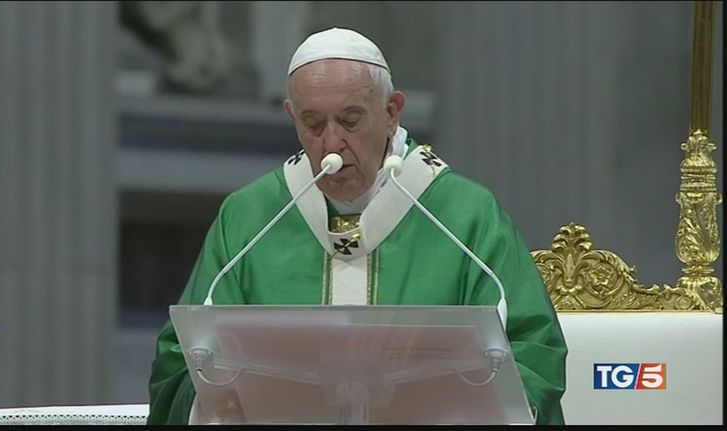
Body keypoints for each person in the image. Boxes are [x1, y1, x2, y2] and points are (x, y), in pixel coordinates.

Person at [147, 27, 567, 425]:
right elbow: (184, 360)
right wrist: (218, 403)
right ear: (291, 116)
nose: (331, 143)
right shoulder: (250, 218)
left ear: (391, 112)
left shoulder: (464, 215)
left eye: (350, 120)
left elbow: (532, 351)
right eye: (313, 124)